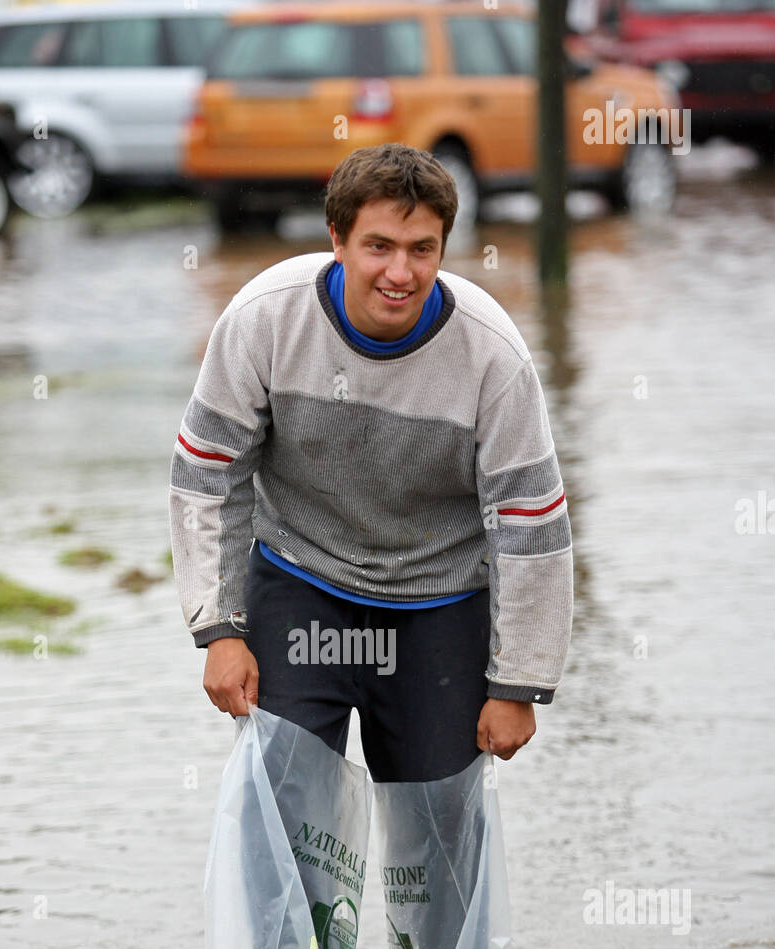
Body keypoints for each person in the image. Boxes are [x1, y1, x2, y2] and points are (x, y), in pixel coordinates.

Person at [169, 143, 572, 783]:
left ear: (444, 247)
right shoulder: (263, 319)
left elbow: (530, 521)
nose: (400, 272)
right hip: (302, 584)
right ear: (338, 238)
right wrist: (219, 630)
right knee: (290, 832)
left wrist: (519, 681)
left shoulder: (493, 355)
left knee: (434, 854)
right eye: (378, 246)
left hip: (438, 606)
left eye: (422, 250)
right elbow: (208, 474)